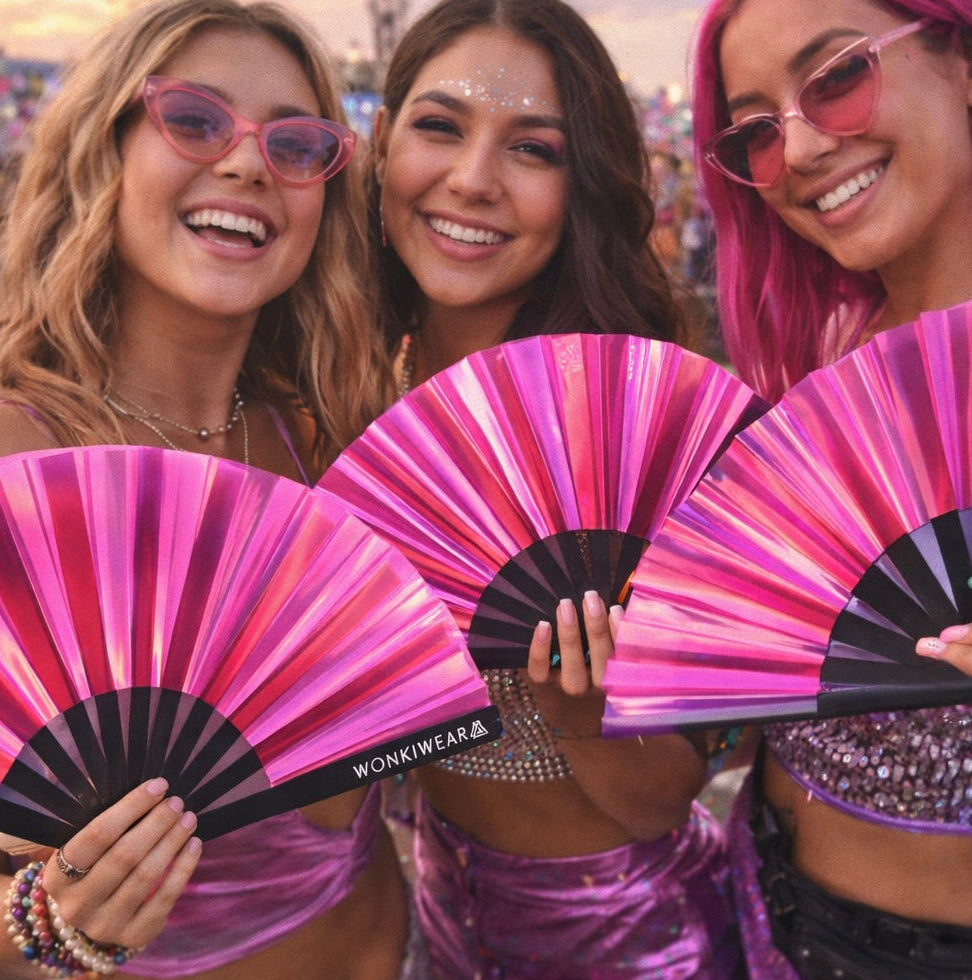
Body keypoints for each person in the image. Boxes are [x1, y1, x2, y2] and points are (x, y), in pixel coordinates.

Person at [0, 0, 416, 977]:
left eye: (296, 143)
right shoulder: (13, 470)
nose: (248, 164)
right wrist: (52, 920)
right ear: (104, 152)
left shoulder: (330, 447)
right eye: (193, 119)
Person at [369, 0, 742, 976]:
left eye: (533, 149)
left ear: (581, 187)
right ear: (381, 143)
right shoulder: (342, 394)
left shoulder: (637, 436)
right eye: (439, 126)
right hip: (438, 917)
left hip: (632, 939)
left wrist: (577, 705)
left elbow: (664, 796)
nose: (472, 179)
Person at [692, 0, 972, 977]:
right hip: (766, 912)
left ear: (960, 56)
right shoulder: (810, 360)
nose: (802, 148)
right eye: (756, 132)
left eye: (839, 76)